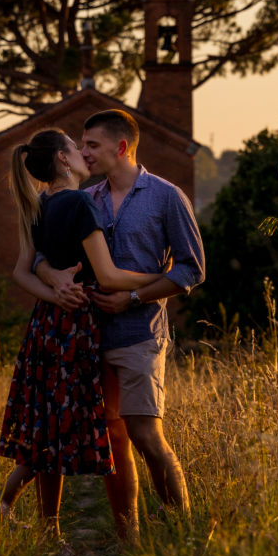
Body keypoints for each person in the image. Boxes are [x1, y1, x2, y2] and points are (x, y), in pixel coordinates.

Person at [0, 128, 163, 538]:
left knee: (48, 423)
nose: (83, 153)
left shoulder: (40, 205)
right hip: (76, 329)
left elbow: (21, 271)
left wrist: (53, 294)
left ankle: (36, 525)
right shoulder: (79, 204)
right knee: (62, 426)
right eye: (75, 146)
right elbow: (105, 274)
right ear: (63, 160)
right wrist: (162, 278)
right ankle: (3, 502)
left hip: (45, 326)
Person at [42, 109, 204, 534]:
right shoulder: (86, 199)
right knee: (113, 441)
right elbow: (45, 259)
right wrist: (57, 281)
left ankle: (181, 534)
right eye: (81, 145)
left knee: (146, 436)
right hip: (90, 337)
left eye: (91, 145)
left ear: (121, 147)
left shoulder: (166, 197)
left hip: (139, 334)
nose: (83, 152)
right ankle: (127, 542)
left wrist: (133, 296)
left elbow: (191, 269)